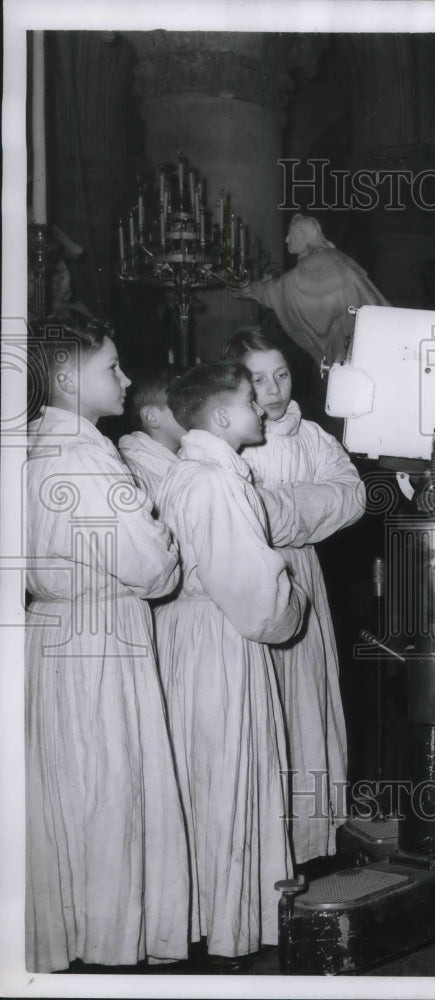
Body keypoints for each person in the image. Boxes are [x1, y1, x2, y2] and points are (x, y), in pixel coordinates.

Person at [24, 316, 190, 972]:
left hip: (49, 636)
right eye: (111, 368)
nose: (124, 380)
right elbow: (153, 567)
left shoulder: (32, 450)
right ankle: (111, 950)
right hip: (101, 641)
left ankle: (66, 942)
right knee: (108, 794)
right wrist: (166, 543)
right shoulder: (89, 461)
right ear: (68, 378)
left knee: (61, 797)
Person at [154, 362, 307, 969]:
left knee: (211, 776)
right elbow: (253, 591)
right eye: (250, 399)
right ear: (221, 417)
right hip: (219, 638)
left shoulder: (196, 472)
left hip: (199, 633)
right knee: (227, 776)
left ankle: (215, 916)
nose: (261, 407)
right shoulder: (213, 483)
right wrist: (293, 602)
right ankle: (228, 928)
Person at [224, 327, 366, 866]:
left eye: (281, 374)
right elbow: (230, 509)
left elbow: (351, 495)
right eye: (258, 379)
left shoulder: (311, 437)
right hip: (248, 580)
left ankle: (308, 847)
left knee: (306, 706)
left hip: (303, 576)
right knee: (259, 713)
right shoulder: (229, 438)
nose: (274, 388)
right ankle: (258, 850)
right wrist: (293, 509)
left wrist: (277, 509)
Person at [232, 212, 389, 367]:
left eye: (290, 235)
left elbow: (285, 289)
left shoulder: (318, 262)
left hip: (353, 343)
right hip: (364, 339)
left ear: (302, 237)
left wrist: (253, 289)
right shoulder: (328, 257)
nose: (286, 240)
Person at [118, 365, 186, 514]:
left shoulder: (191, 458)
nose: (196, 414)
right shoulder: (135, 475)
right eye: (185, 406)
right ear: (151, 417)